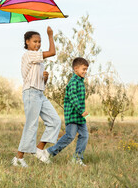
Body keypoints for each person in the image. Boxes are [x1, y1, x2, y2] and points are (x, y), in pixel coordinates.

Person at [12, 26, 61, 168]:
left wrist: (45, 78)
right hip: (30, 93)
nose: (38, 44)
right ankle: (19, 159)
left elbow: (40, 82)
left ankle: (39, 149)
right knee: (31, 125)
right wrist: (50, 35)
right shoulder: (28, 55)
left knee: (55, 121)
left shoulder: (38, 59)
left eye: (39, 41)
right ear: (27, 42)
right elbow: (52, 52)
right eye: (35, 41)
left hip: (40, 93)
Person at [39, 57, 89, 166]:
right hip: (73, 115)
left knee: (84, 135)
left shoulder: (80, 81)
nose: (85, 71)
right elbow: (73, 97)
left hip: (79, 117)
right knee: (70, 136)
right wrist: (81, 110)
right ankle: (48, 153)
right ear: (76, 69)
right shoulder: (73, 82)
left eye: (86, 69)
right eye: (83, 69)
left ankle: (77, 158)